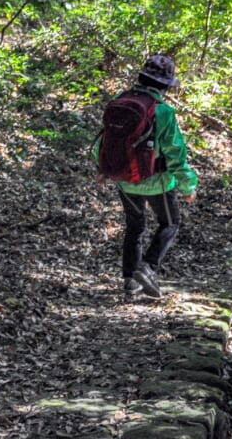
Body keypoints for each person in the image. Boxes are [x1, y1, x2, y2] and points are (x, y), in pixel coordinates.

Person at [96, 54, 197, 298]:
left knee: (135, 227)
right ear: (164, 85)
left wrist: (103, 169)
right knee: (170, 223)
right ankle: (148, 266)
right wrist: (187, 186)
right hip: (157, 182)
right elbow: (175, 154)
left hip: (123, 179)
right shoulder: (162, 112)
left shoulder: (120, 101)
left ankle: (130, 281)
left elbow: (105, 140)